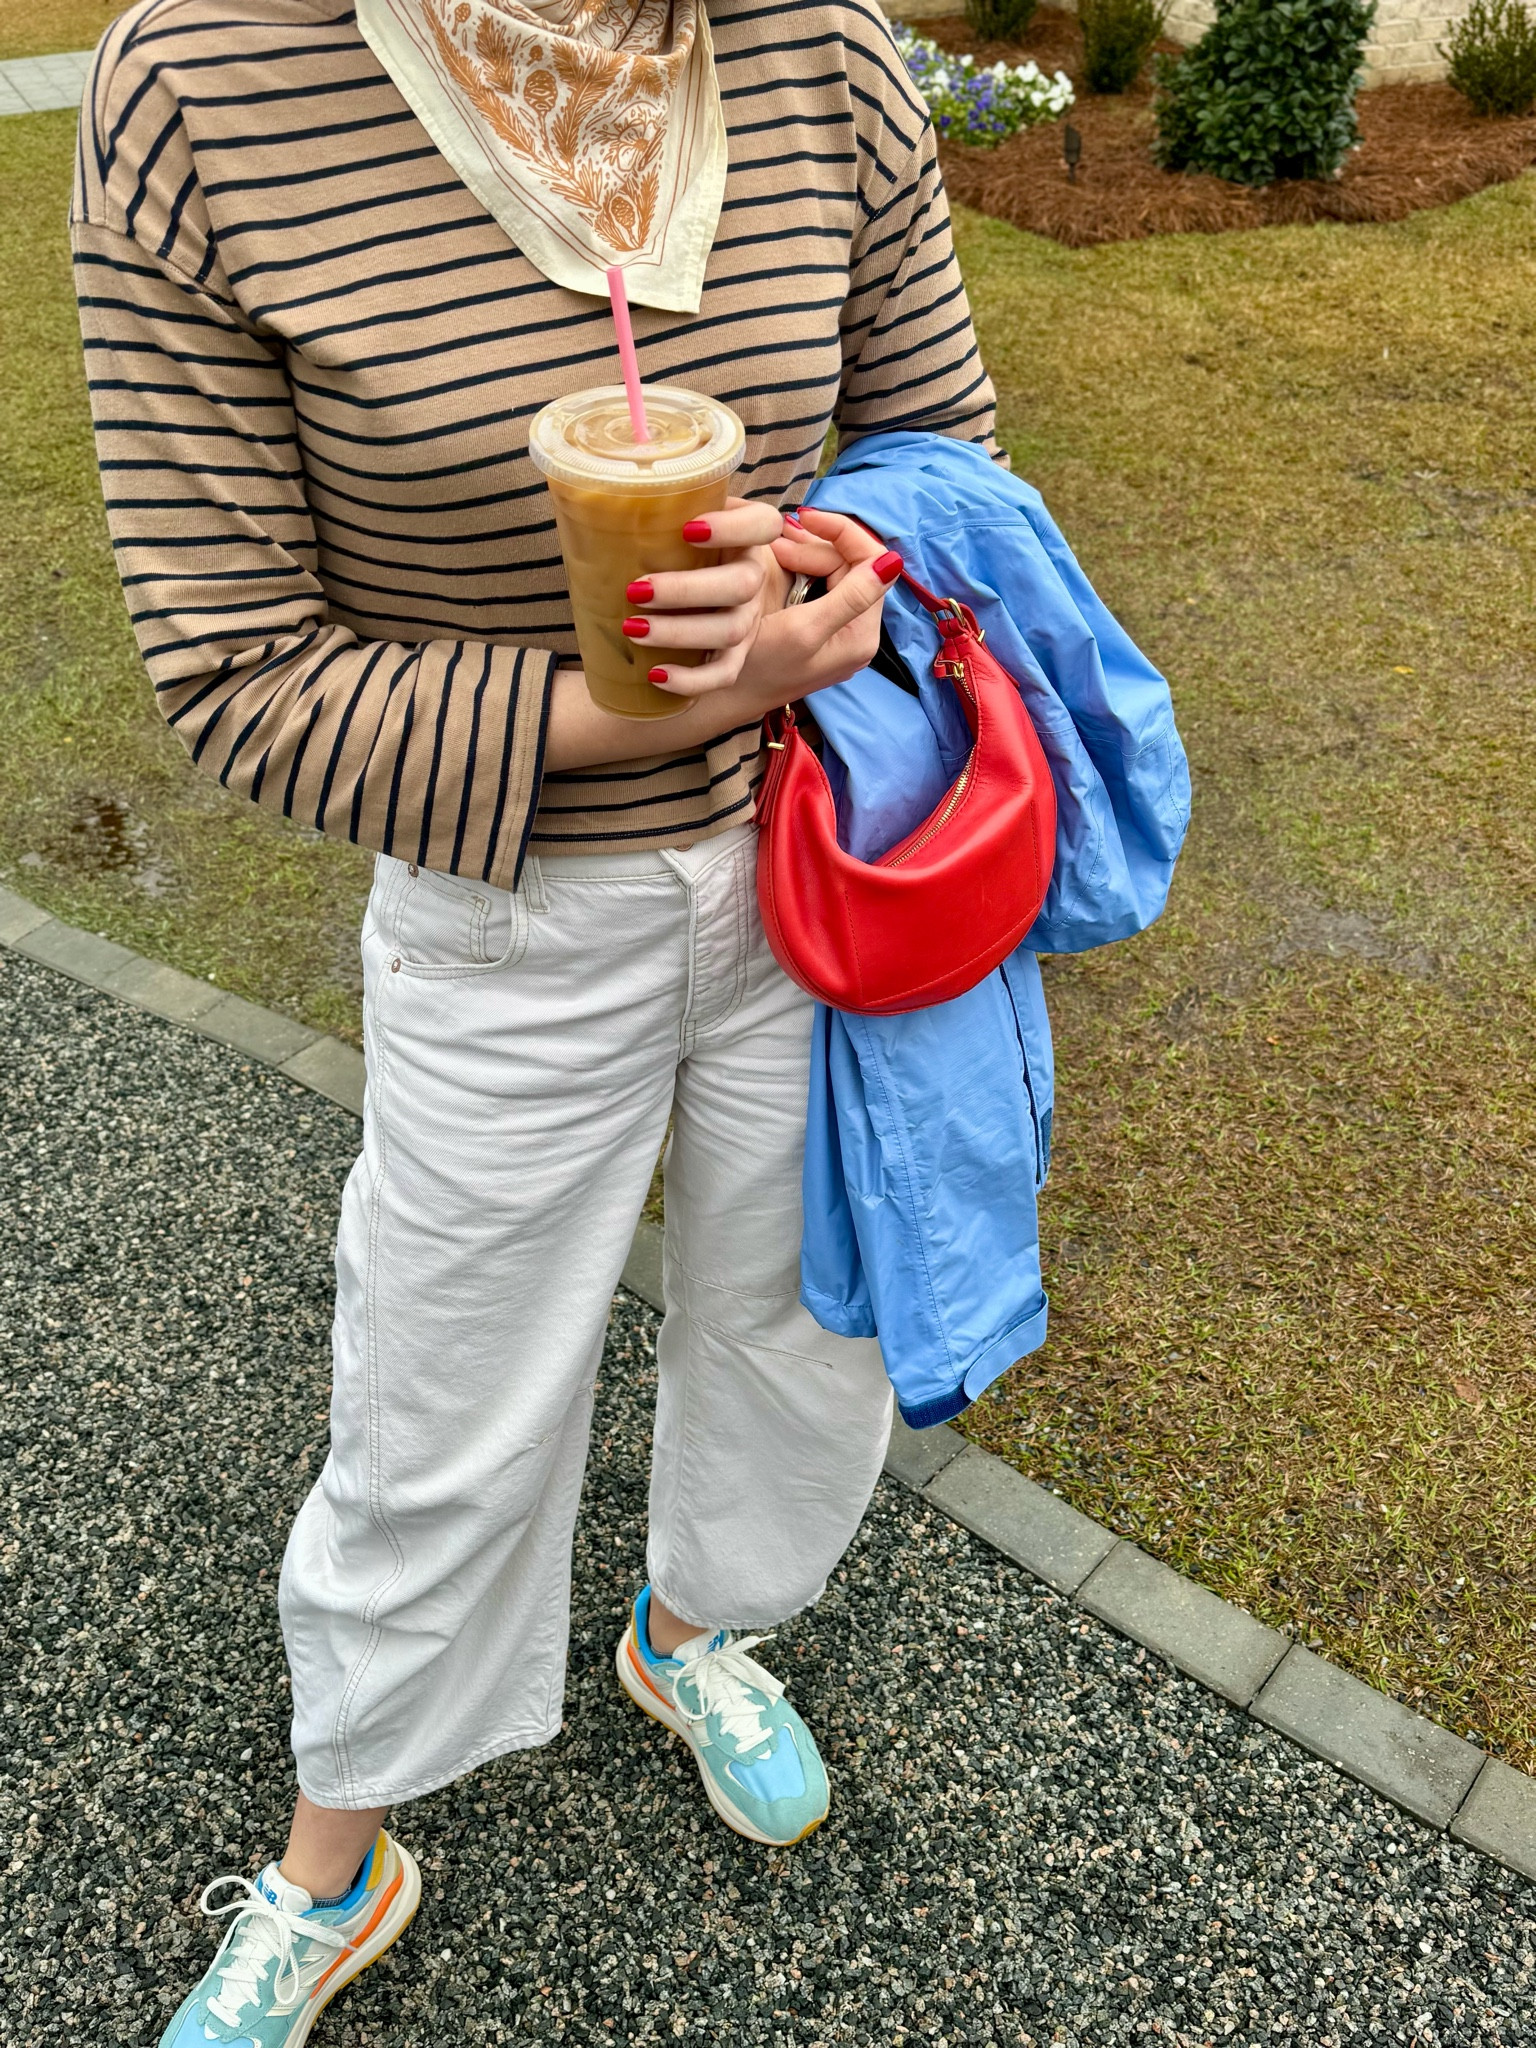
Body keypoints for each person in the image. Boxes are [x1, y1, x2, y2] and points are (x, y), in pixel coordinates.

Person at [72, 0, 1000, 2033]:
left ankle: (696, 1622)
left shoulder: (817, 50)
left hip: (812, 869)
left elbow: (942, 457)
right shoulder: (202, 83)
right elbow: (235, 667)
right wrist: (636, 706)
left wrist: (838, 575)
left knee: (796, 1311)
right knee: (443, 1383)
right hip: (506, 907)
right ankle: (341, 1845)